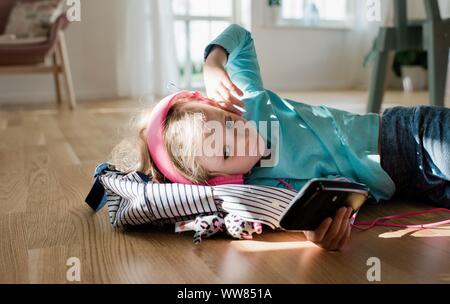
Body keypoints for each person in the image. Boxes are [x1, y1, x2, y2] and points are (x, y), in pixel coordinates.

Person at [110, 24, 449, 250]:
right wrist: (316, 234)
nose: (241, 135)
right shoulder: (265, 194)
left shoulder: (251, 102)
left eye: (228, 122)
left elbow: (240, 36)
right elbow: (314, 217)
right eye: (227, 153)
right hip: (410, 187)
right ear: (226, 178)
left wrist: (213, 61)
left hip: (410, 134)